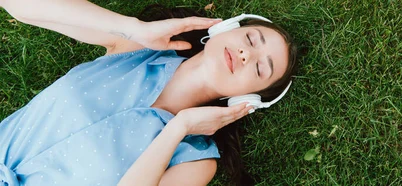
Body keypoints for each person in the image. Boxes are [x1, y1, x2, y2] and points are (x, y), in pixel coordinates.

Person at [0, 0, 298, 185]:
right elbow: (17, 2)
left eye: (261, 69)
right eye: (251, 38)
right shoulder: (137, 49)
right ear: (224, 29)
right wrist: (130, 28)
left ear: (249, 101)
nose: (248, 54)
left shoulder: (195, 161)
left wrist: (178, 129)